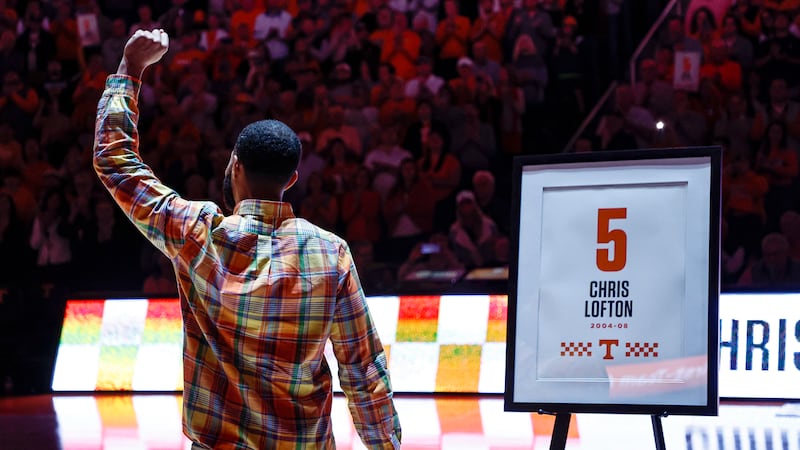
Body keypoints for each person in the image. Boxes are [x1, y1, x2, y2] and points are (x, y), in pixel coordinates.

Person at [93, 29, 401, 449]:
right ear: (292, 179)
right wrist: (387, 445)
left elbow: (116, 162)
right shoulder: (331, 253)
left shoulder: (196, 233)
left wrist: (129, 70)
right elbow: (363, 369)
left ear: (234, 164)